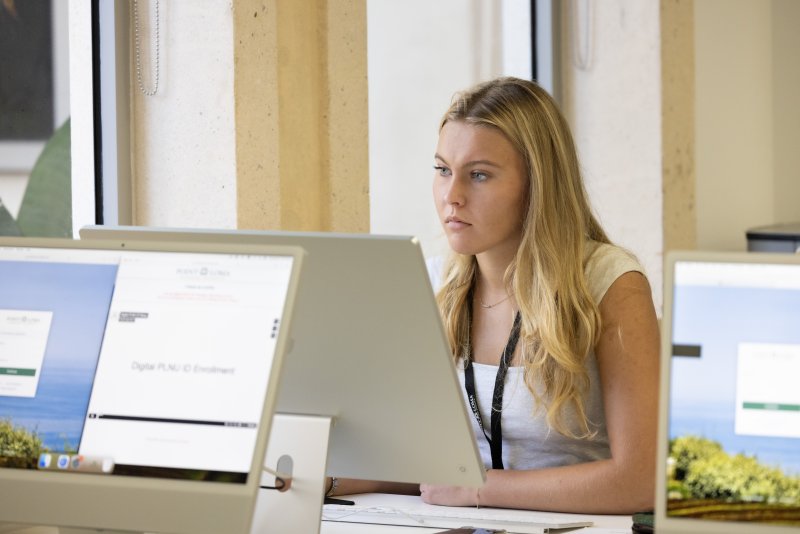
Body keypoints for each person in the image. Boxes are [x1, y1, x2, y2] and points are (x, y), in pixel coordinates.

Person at [326, 76, 660, 514]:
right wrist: (323, 479)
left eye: (478, 175)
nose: (452, 196)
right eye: (443, 170)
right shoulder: (433, 284)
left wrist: (482, 489)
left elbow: (642, 480)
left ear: (537, 184)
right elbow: (428, 470)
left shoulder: (609, 283)